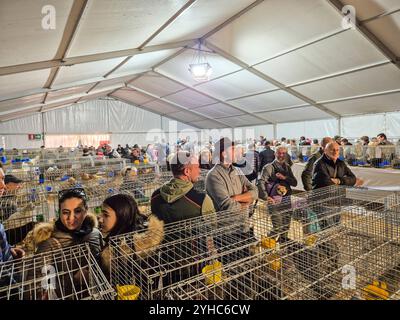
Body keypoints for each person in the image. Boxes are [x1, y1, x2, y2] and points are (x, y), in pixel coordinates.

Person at [98, 193, 163, 278]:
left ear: (122, 215)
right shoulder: (141, 228)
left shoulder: (124, 251)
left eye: (106, 215)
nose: (100, 218)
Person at [33, 188, 102, 257]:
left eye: (77, 211)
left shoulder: (95, 233)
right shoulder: (49, 245)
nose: (71, 218)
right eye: (65, 212)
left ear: (86, 210)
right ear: (59, 213)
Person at [151, 151, 215, 225]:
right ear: (187, 171)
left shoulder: (155, 196)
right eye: (197, 167)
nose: (199, 170)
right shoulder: (202, 200)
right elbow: (212, 228)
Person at [205, 137, 258, 212]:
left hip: (243, 221)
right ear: (224, 154)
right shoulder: (214, 175)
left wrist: (236, 198)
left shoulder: (237, 170)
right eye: (233, 149)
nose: (237, 152)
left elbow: (255, 191)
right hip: (227, 222)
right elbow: (228, 205)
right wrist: (248, 202)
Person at [258, 146, 297, 242]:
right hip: (274, 200)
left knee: (285, 228)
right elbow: (261, 182)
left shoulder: (287, 167)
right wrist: (266, 197)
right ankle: (266, 246)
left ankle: (283, 248)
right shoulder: (268, 167)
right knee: (277, 227)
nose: (281, 155)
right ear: (275, 154)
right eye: (279, 153)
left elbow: (294, 183)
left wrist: (284, 178)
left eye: (284, 153)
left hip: (287, 199)